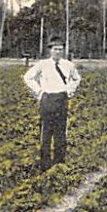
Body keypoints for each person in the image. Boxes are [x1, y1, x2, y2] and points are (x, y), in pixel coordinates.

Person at [23, 36, 81, 171]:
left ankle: (59, 162)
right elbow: (28, 77)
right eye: (55, 49)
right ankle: (45, 163)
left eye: (60, 49)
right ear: (50, 50)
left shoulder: (68, 65)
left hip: (62, 98)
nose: (58, 52)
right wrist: (39, 92)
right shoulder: (43, 64)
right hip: (47, 99)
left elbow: (76, 78)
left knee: (61, 132)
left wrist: (69, 91)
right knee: (46, 132)